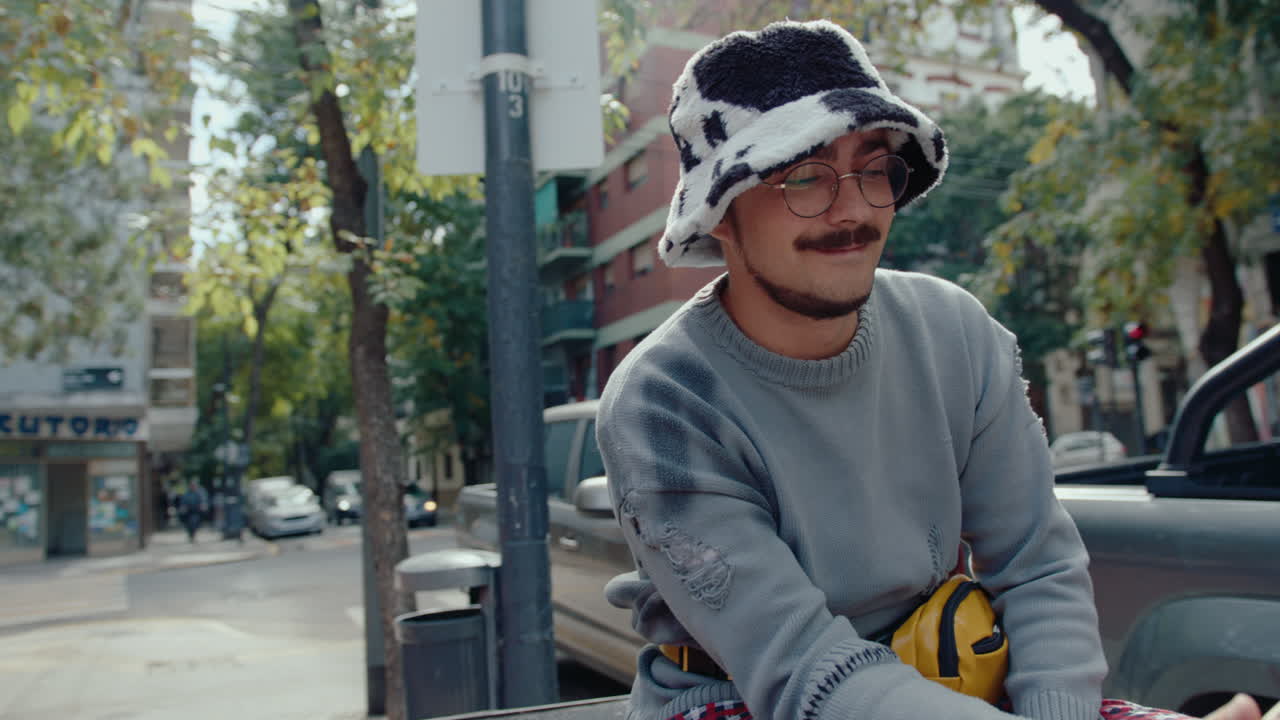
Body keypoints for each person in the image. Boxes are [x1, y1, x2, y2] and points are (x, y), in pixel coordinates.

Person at [595, 19, 1267, 720]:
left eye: (874, 167)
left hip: (948, 676)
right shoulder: (663, 403)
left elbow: (1037, 564)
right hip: (739, 696)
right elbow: (805, 673)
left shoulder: (956, 332)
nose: (853, 209)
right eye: (802, 176)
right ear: (720, 215)